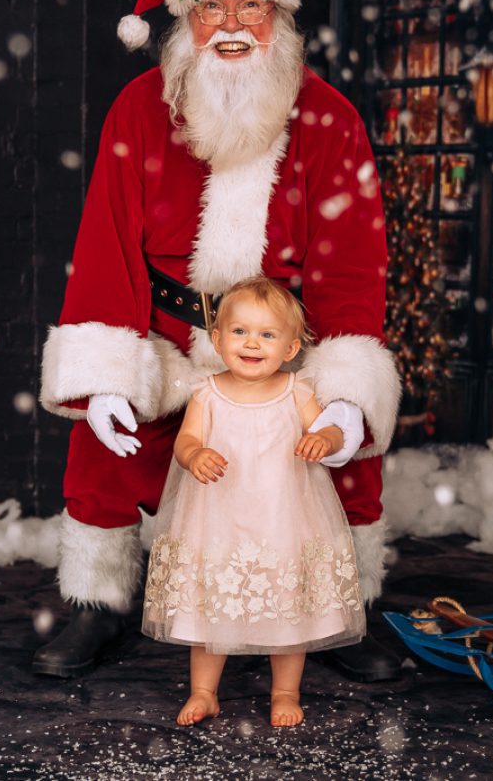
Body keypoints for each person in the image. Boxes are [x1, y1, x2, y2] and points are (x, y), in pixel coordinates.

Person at [35, 0, 402, 682]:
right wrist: (106, 371)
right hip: (170, 332)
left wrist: (343, 391)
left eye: (251, 9)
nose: (231, 27)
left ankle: (343, 607)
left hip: (284, 344)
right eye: (211, 10)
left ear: (280, 16)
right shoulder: (140, 109)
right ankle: (99, 603)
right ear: (184, 18)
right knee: (103, 448)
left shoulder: (328, 118)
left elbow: (353, 261)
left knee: (342, 464)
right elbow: (107, 240)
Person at [141, 277, 365, 727]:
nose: (252, 343)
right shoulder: (207, 393)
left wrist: (324, 437)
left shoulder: (296, 390)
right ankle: (204, 692)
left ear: (289, 349)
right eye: (240, 332)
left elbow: (333, 429)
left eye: (267, 335)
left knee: (289, 604)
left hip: (284, 518)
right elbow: (186, 441)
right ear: (218, 339)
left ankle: (285, 692)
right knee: (208, 605)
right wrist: (195, 454)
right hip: (218, 520)